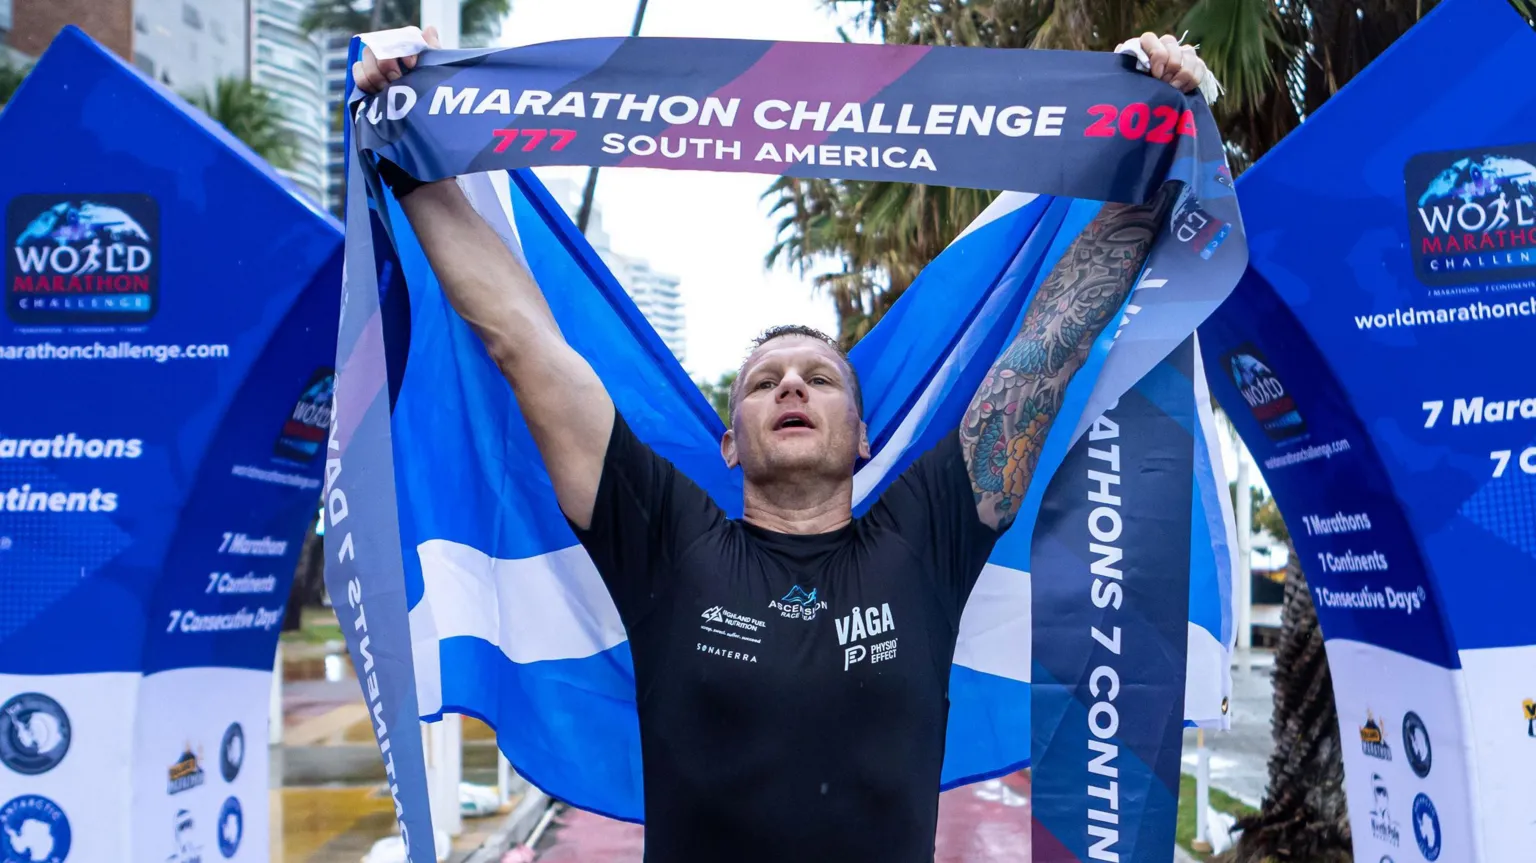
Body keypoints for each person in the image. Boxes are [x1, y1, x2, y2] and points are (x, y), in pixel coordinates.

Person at [356, 28, 1210, 863]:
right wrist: (406, 146)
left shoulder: (930, 534)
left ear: (865, 437)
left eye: (819, 377)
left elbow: (1046, 352)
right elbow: (521, 340)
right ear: (729, 443)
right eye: (764, 381)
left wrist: (1150, 155)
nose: (792, 386)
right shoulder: (662, 537)